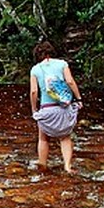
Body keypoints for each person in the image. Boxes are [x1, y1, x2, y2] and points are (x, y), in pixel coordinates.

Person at [29, 42, 83, 173]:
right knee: (65, 137)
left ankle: (42, 165)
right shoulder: (62, 64)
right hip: (63, 107)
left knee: (43, 138)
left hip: (46, 108)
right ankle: (67, 166)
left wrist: (34, 108)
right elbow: (70, 81)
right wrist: (78, 98)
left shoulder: (35, 69)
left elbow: (34, 92)